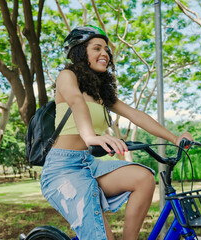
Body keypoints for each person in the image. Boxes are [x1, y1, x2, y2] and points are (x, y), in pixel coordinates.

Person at [40, 25, 193, 240]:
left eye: (106, 50)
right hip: (63, 169)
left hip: (90, 164)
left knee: (144, 178)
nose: (105, 53)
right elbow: (76, 102)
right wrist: (90, 136)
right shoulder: (66, 76)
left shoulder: (101, 93)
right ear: (80, 53)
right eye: (97, 48)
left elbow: (135, 115)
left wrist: (175, 138)